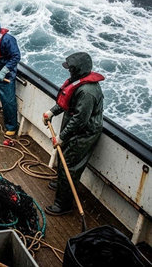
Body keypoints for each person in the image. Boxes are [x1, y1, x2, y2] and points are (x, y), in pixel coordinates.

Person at [43, 52, 104, 216]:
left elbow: (79, 121)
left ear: (78, 70)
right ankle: (61, 184)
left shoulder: (87, 92)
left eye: (71, 69)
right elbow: (66, 101)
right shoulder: (77, 82)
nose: (69, 72)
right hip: (73, 128)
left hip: (83, 134)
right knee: (63, 160)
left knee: (69, 166)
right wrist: (51, 112)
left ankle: (63, 205)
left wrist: (61, 137)